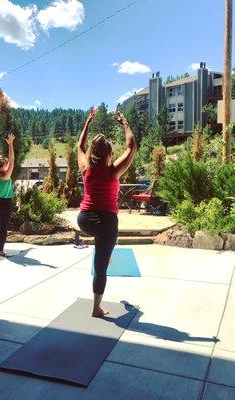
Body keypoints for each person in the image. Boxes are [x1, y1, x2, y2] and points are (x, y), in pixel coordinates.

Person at [77, 107, 136, 317]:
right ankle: (96, 308)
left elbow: (80, 145)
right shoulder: (113, 171)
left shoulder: (85, 168)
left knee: (102, 244)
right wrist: (125, 124)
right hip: (105, 221)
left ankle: (104, 252)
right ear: (110, 154)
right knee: (100, 266)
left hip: (84, 220)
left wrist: (88, 121)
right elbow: (131, 147)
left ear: (92, 154)